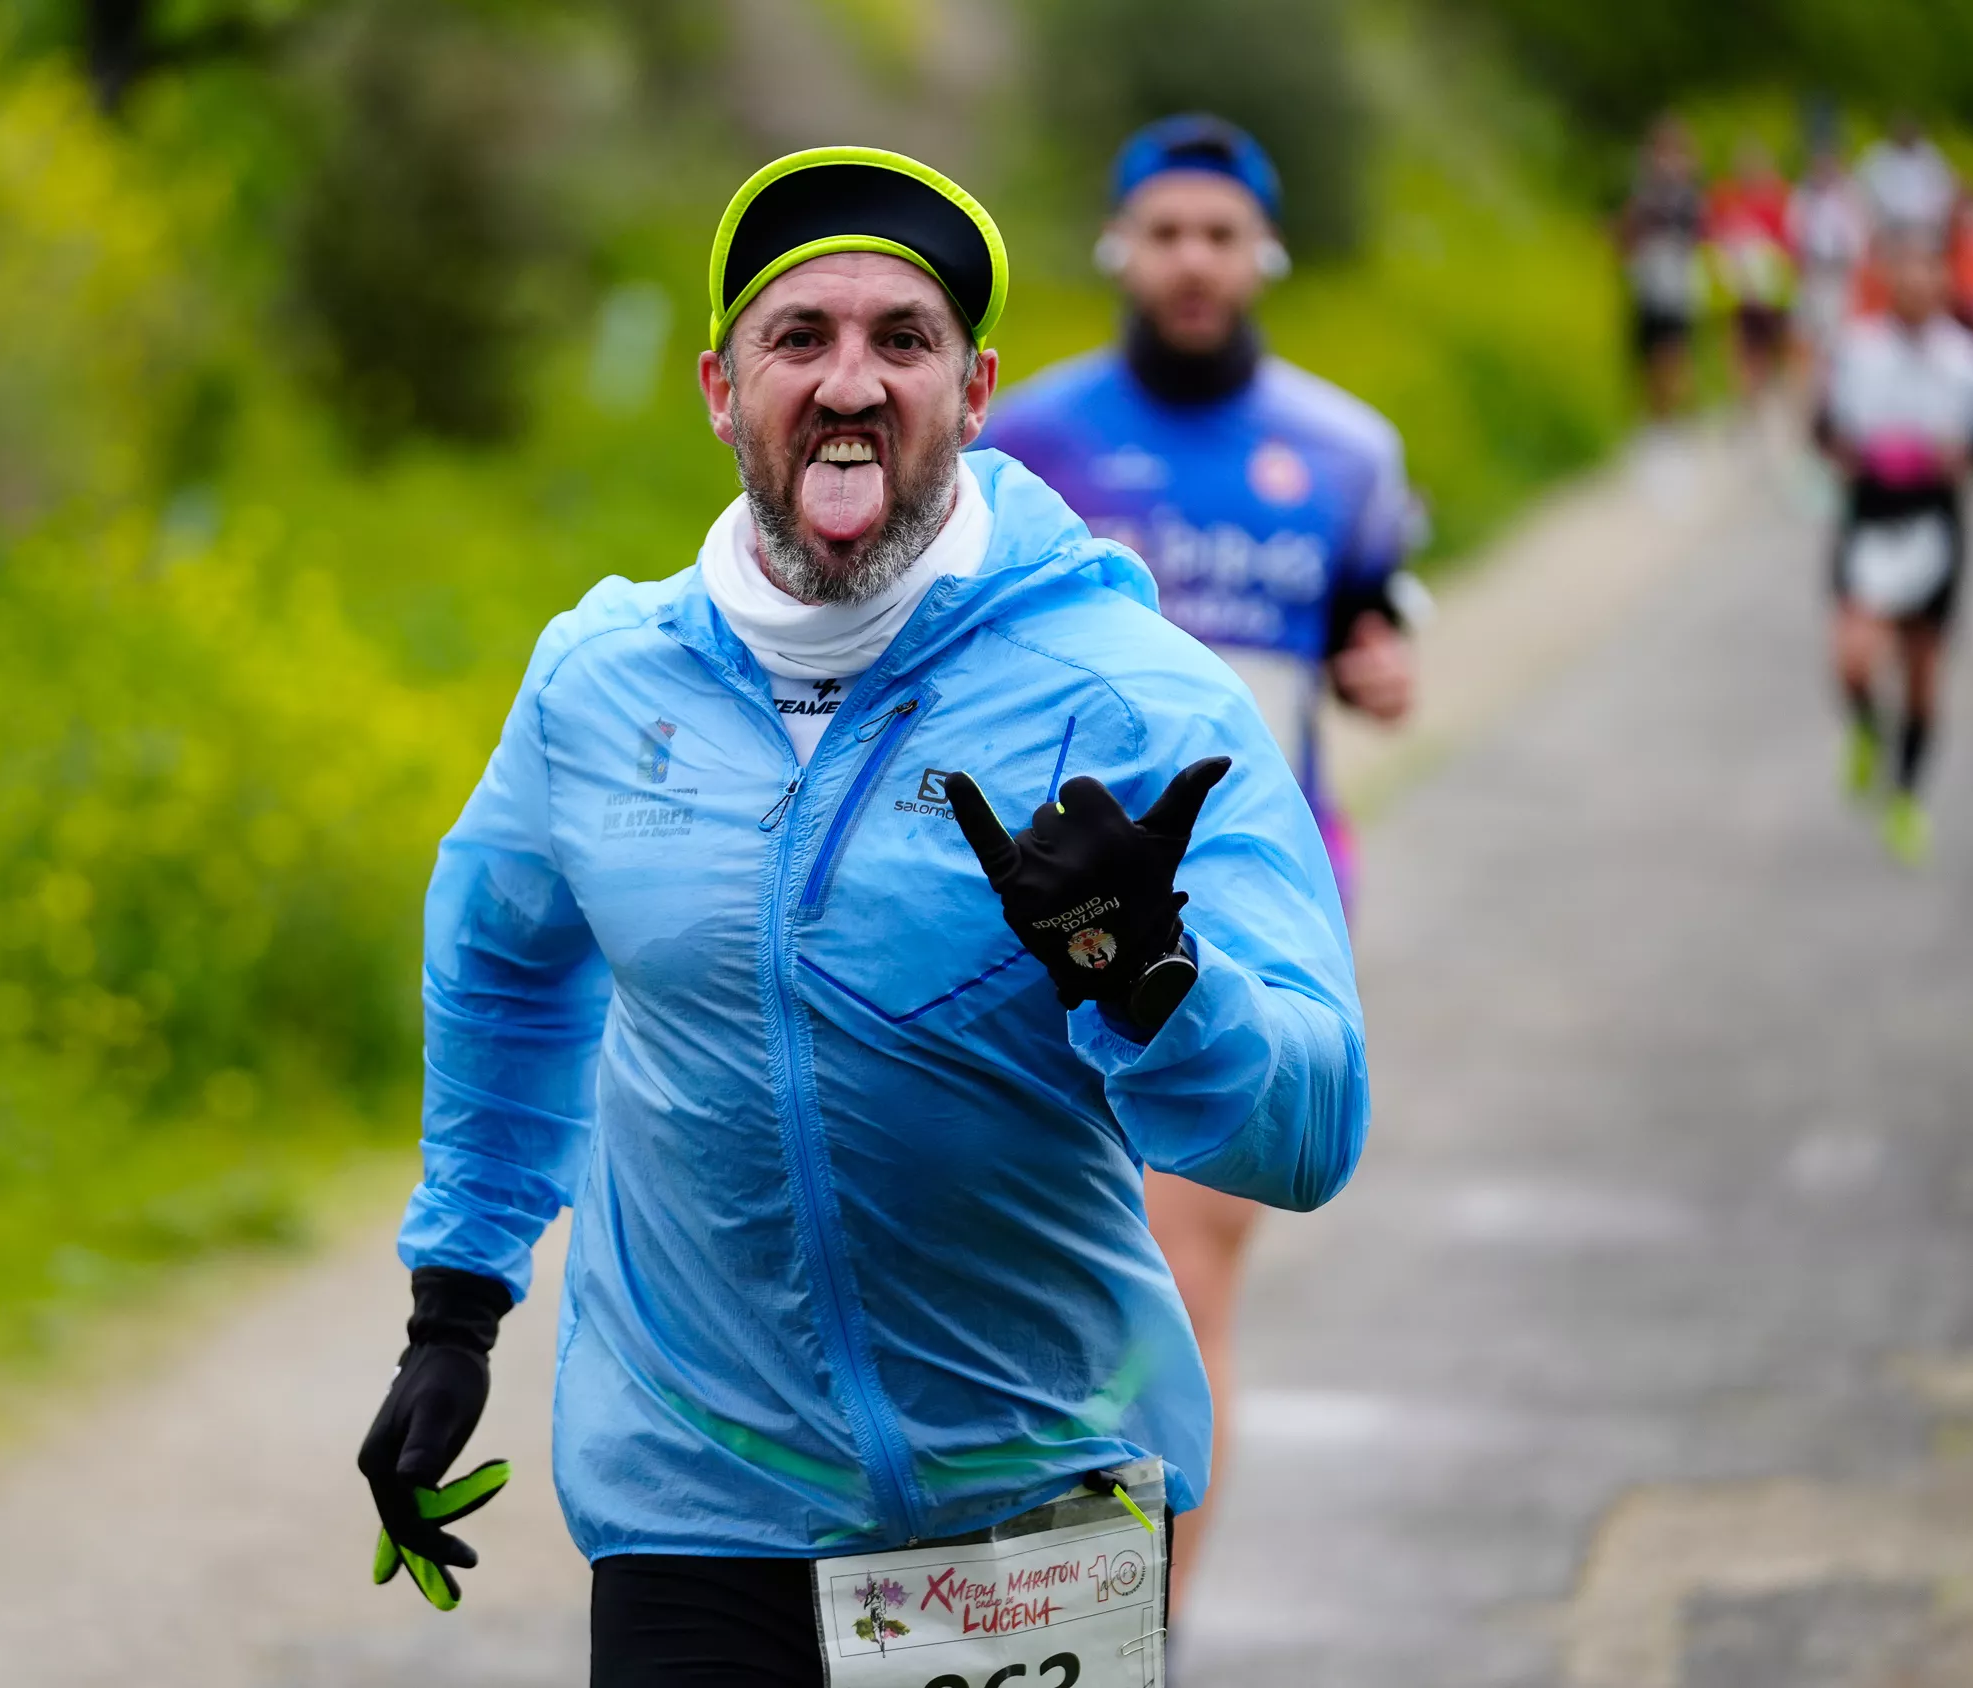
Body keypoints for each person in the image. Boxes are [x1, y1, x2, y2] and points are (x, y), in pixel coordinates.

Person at [355, 144, 1370, 1682]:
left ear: (974, 394)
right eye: (799, 339)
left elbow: (1310, 1129)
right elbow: (505, 972)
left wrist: (1154, 981)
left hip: (1030, 1495)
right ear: (718, 388)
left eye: (903, 340)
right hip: (696, 1491)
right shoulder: (601, 683)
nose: (849, 381)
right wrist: (456, 1300)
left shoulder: (1128, 696)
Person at [976, 112, 1414, 1602]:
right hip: (1023, 937)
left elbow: (1372, 617)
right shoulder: (1022, 439)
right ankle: (1011, 1614)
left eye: (1219, 234)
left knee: (1171, 1287)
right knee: (1019, 1291)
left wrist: (1380, 670)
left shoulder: (1347, 452)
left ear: (1262, 254)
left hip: (1243, 925)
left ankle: (1144, 1621)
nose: (1190, 261)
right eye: (1163, 231)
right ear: (1119, 247)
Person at [1814, 224, 1973, 864]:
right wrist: (1837, 450)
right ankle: (1867, 728)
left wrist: (1970, 456)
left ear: (1944, 282)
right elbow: (1821, 426)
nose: (1914, 285)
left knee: (1923, 672)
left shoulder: (1970, 363)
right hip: (1870, 515)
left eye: (1928, 273)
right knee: (1852, 655)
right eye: (1902, 272)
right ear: (1886, 280)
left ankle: (1906, 798)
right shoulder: (1857, 350)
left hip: (1935, 520)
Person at [1619, 115, 1708, 420]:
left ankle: (1673, 411)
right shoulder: (1644, 187)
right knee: (1647, 348)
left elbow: (1697, 231)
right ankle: (1655, 411)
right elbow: (1630, 229)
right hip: (1649, 274)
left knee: (1673, 347)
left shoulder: (1687, 191)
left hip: (1675, 277)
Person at [1708, 138, 1799, 400]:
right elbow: (1714, 236)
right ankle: (1745, 396)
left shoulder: (1778, 197)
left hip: (1769, 287)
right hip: (1738, 286)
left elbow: (1788, 241)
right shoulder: (1726, 196)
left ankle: (1769, 391)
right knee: (1741, 342)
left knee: (1772, 342)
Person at [1790, 132, 1872, 369]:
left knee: (1836, 334)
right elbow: (1796, 230)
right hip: (1811, 271)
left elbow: (1859, 235)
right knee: (1806, 331)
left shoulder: (1850, 195)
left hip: (1839, 273)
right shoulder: (1804, 194)